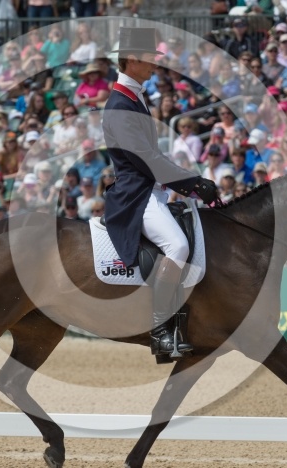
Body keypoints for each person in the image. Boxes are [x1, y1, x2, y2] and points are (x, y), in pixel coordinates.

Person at [102, 28, 217, 358]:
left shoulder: (134, 97)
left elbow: (152, 156)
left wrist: (187, 182)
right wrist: (192, 182)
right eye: (150, 58)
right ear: (132, 60)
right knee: (177, 245)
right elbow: (144, 158)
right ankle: (159, 330)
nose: (155, 64)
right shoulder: (121, 104)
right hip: (135, 195)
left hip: (151, 189)